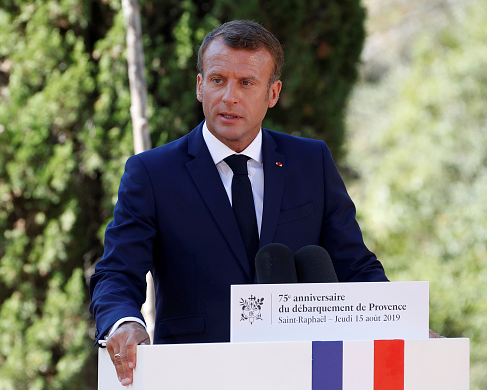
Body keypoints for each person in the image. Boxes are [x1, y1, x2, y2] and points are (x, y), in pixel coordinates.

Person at [89, 20, 389, 386]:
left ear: (273, 93)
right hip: (194, 375)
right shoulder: (152, 174)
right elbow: (117, 273)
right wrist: (125, 323)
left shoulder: (311, 162)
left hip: (302, 373)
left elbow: (355, 266)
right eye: (217, 80)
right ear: (200, 86)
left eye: (246, 83)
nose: (229, 96)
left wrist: (406, 326)